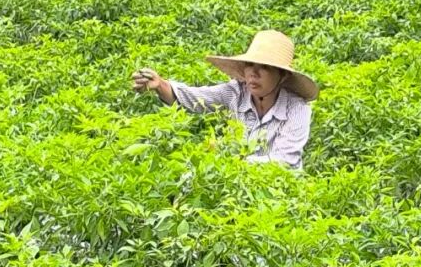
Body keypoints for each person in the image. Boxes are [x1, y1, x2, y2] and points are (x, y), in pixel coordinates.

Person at [132, 30, 317, 170]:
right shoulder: (236, 93)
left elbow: (285, 161)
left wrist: (229, 161)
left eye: (265, 68)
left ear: (282, 75)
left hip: (280, 192)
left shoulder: (297, 108)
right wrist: (160, 84)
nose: (254, 73)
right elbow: (194, 98)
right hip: (237, 185)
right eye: (250, 65)